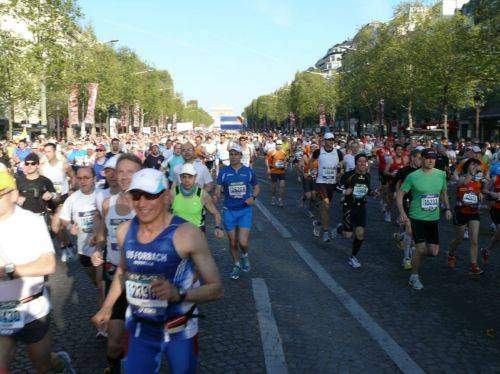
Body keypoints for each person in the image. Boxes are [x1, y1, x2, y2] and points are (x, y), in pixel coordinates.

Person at [92, 168, 223, 374]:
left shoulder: (188, 233)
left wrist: (179, 294)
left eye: (150, 196)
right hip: (140, 328)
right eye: (136, 196)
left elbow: (216, 289)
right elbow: (123, 271)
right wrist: (107, 307)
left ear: (165, 196)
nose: (142, 203)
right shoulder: (124, 230)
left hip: (178, 329)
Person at [0, 171, 74, 373]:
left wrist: (9, 270)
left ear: (14, 194)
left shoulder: (30, 221)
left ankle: (60, 362)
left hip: (32, 308)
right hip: (1, 311)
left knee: (42, 365)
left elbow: (48, 264)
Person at [94, 153, 142, 374]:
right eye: (120, 171)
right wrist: (97, 248)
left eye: (129, 172)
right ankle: (113, 366)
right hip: (116, 276)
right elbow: (103, 230)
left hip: (142, 280)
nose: (123, 176)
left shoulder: (148, 205)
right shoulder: (107, 203)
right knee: (113, 344)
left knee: (142, 342)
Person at [397, 149, 452, 290]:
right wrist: (403, 213)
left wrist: (447, 209)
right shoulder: (413, 176)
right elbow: (400, 194)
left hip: (433, 218)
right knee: (421, 249)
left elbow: (444, 192)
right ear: (422, 159)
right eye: (427, 158)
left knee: (433, 252)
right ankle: (414, 277)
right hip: (417, 218)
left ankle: (411, 245)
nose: (430, 161)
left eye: (433, 158)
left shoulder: (441, 175)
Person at [215, 145, 260, 280]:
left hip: (244, 210)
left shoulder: (248, 171)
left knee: (243, 242)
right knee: (233, 242)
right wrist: (216, 194)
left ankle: (245, 256)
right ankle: (236, 265)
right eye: (231, 154)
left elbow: (256, 186)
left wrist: (253, 197)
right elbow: (218, 188)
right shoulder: (224, 172)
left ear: (241, 156)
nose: (233, 157)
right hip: (229, 211)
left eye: (236, 154)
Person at [336, 154, 378, 268]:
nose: (362, 164)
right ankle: (340, 229)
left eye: (364, 162)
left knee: (360, 233)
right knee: (348, 235)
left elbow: (367, 189)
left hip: (361, 207)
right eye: (360, 161)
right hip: (349, 206)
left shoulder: (367, 176)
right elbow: (337, 187)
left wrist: (373, 193)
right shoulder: (348, 175)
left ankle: (353, 257)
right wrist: (345, 192)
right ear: (356, 163)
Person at [58, 166, 97, 282]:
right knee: (94, 281)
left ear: (94, 179)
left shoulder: (103, 195)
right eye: (80, 178)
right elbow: (64, 218)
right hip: (84, 249)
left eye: (86, 178)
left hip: (102, 248)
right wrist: (70, 227)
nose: (83, 181)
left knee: (104, 281)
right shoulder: (72, 199)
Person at [447, 158, 484, 275]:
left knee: (474, 241)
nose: (475, 166)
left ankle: (474, 265)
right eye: (473, 164)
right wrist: (473, 173)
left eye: (476, 164)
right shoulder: (460, 177)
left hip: (474, 213)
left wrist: (480, 194)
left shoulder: (478, 180)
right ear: (467, 166)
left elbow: (480, 189)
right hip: (461, 213)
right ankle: (451, 254)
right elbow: (463, 182)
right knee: (459, 238)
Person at [171, 163, 224, 237]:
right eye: (184, 177)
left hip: (197, 233)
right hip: (177, 233)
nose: (187, 180)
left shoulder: (202, 194)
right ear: (180, 177)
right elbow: (163, 213)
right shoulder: (173, 193)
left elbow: (216, 213)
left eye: (190, 177)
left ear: (195, 177)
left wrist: (218, 227)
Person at [311, 132, 344, 242]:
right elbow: (311, 162)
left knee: (325, 207)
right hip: (321, 182)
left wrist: (340, 170)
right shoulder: (318, 151)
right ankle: (325, 232)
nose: (330, 142)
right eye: (328, 140)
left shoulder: (338, 152)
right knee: (325, 204)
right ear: (324, 141)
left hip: (332, 184)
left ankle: (318, 223)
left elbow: (342, 164)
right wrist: (312, 172)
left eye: (332, 140)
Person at [393, 149, 422, 269]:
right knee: (410, 231)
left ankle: (399, 237)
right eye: (420, 158)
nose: (422, 161)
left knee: (415, 231)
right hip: (407, 202)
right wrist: (397, 194)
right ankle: (406, 258)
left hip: (419, 203)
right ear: (412, 158)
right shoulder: (404, 171)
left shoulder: (423, 171)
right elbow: (396, 183)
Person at [266, 139, 287, 207]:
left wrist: (285, 164)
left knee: (282, 186)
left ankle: (280, 200)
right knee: (274, 186)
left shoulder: (284, 151)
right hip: (274, 171)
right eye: (278, 144)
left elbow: (286, 159)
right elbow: (266, 160)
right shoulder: (272, 152)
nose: (279, 146)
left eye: (280, 144)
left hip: (282, 171)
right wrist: (268, 168)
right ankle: (273, 198)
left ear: (281, 145)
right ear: (276, 145)